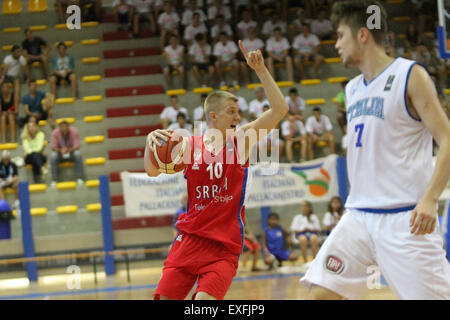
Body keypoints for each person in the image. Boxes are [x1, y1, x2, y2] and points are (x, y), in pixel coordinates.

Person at [301, 0, 450, 300]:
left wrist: (431, 198)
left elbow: (447, 138)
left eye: (341, 35)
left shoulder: (410, 75)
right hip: (358, 216)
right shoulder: (352, 88)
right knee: (316, 295)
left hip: (406, 218)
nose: (337, 44)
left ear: (363, 34)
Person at [145, 39, 289, 300]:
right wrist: (149, 143)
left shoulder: (242, 141)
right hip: (188, 241)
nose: (237, 118)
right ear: (213, 116)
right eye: (231, 112)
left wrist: (261, 70)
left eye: (238, 112)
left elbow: (280, 109)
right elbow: (153, 171)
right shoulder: (189, 146)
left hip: (223, 247)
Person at [50, 121, 84, 186]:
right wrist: (61, 150)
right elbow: (53, 147)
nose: (64, 129)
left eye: (65, 127)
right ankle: (54, 180)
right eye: (62, 127)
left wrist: (68, 150)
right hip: (60, 154)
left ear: (68, 127)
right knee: (53, 155)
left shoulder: (74, 131)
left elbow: (77, 146)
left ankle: (79, 178)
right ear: (59, 128)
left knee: (78, 154)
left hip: (71, 153)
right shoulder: (55, 133)